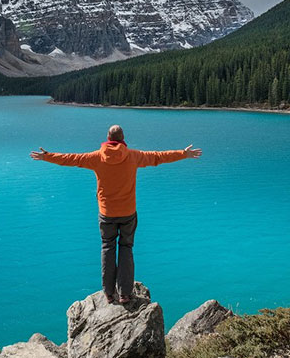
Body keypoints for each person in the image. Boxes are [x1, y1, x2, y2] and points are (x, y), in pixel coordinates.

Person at [30, 124, 202, 304]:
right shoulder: (133, 156)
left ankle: (109, 293)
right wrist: (183, 153)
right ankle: (125, 293)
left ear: (107, 137)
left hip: (106, 213)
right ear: (123, 138)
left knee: (108, 247)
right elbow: (158, 157)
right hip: (128, 212)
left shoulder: (96, 157)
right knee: (126, 248)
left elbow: (71, 159)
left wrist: (47, 157)